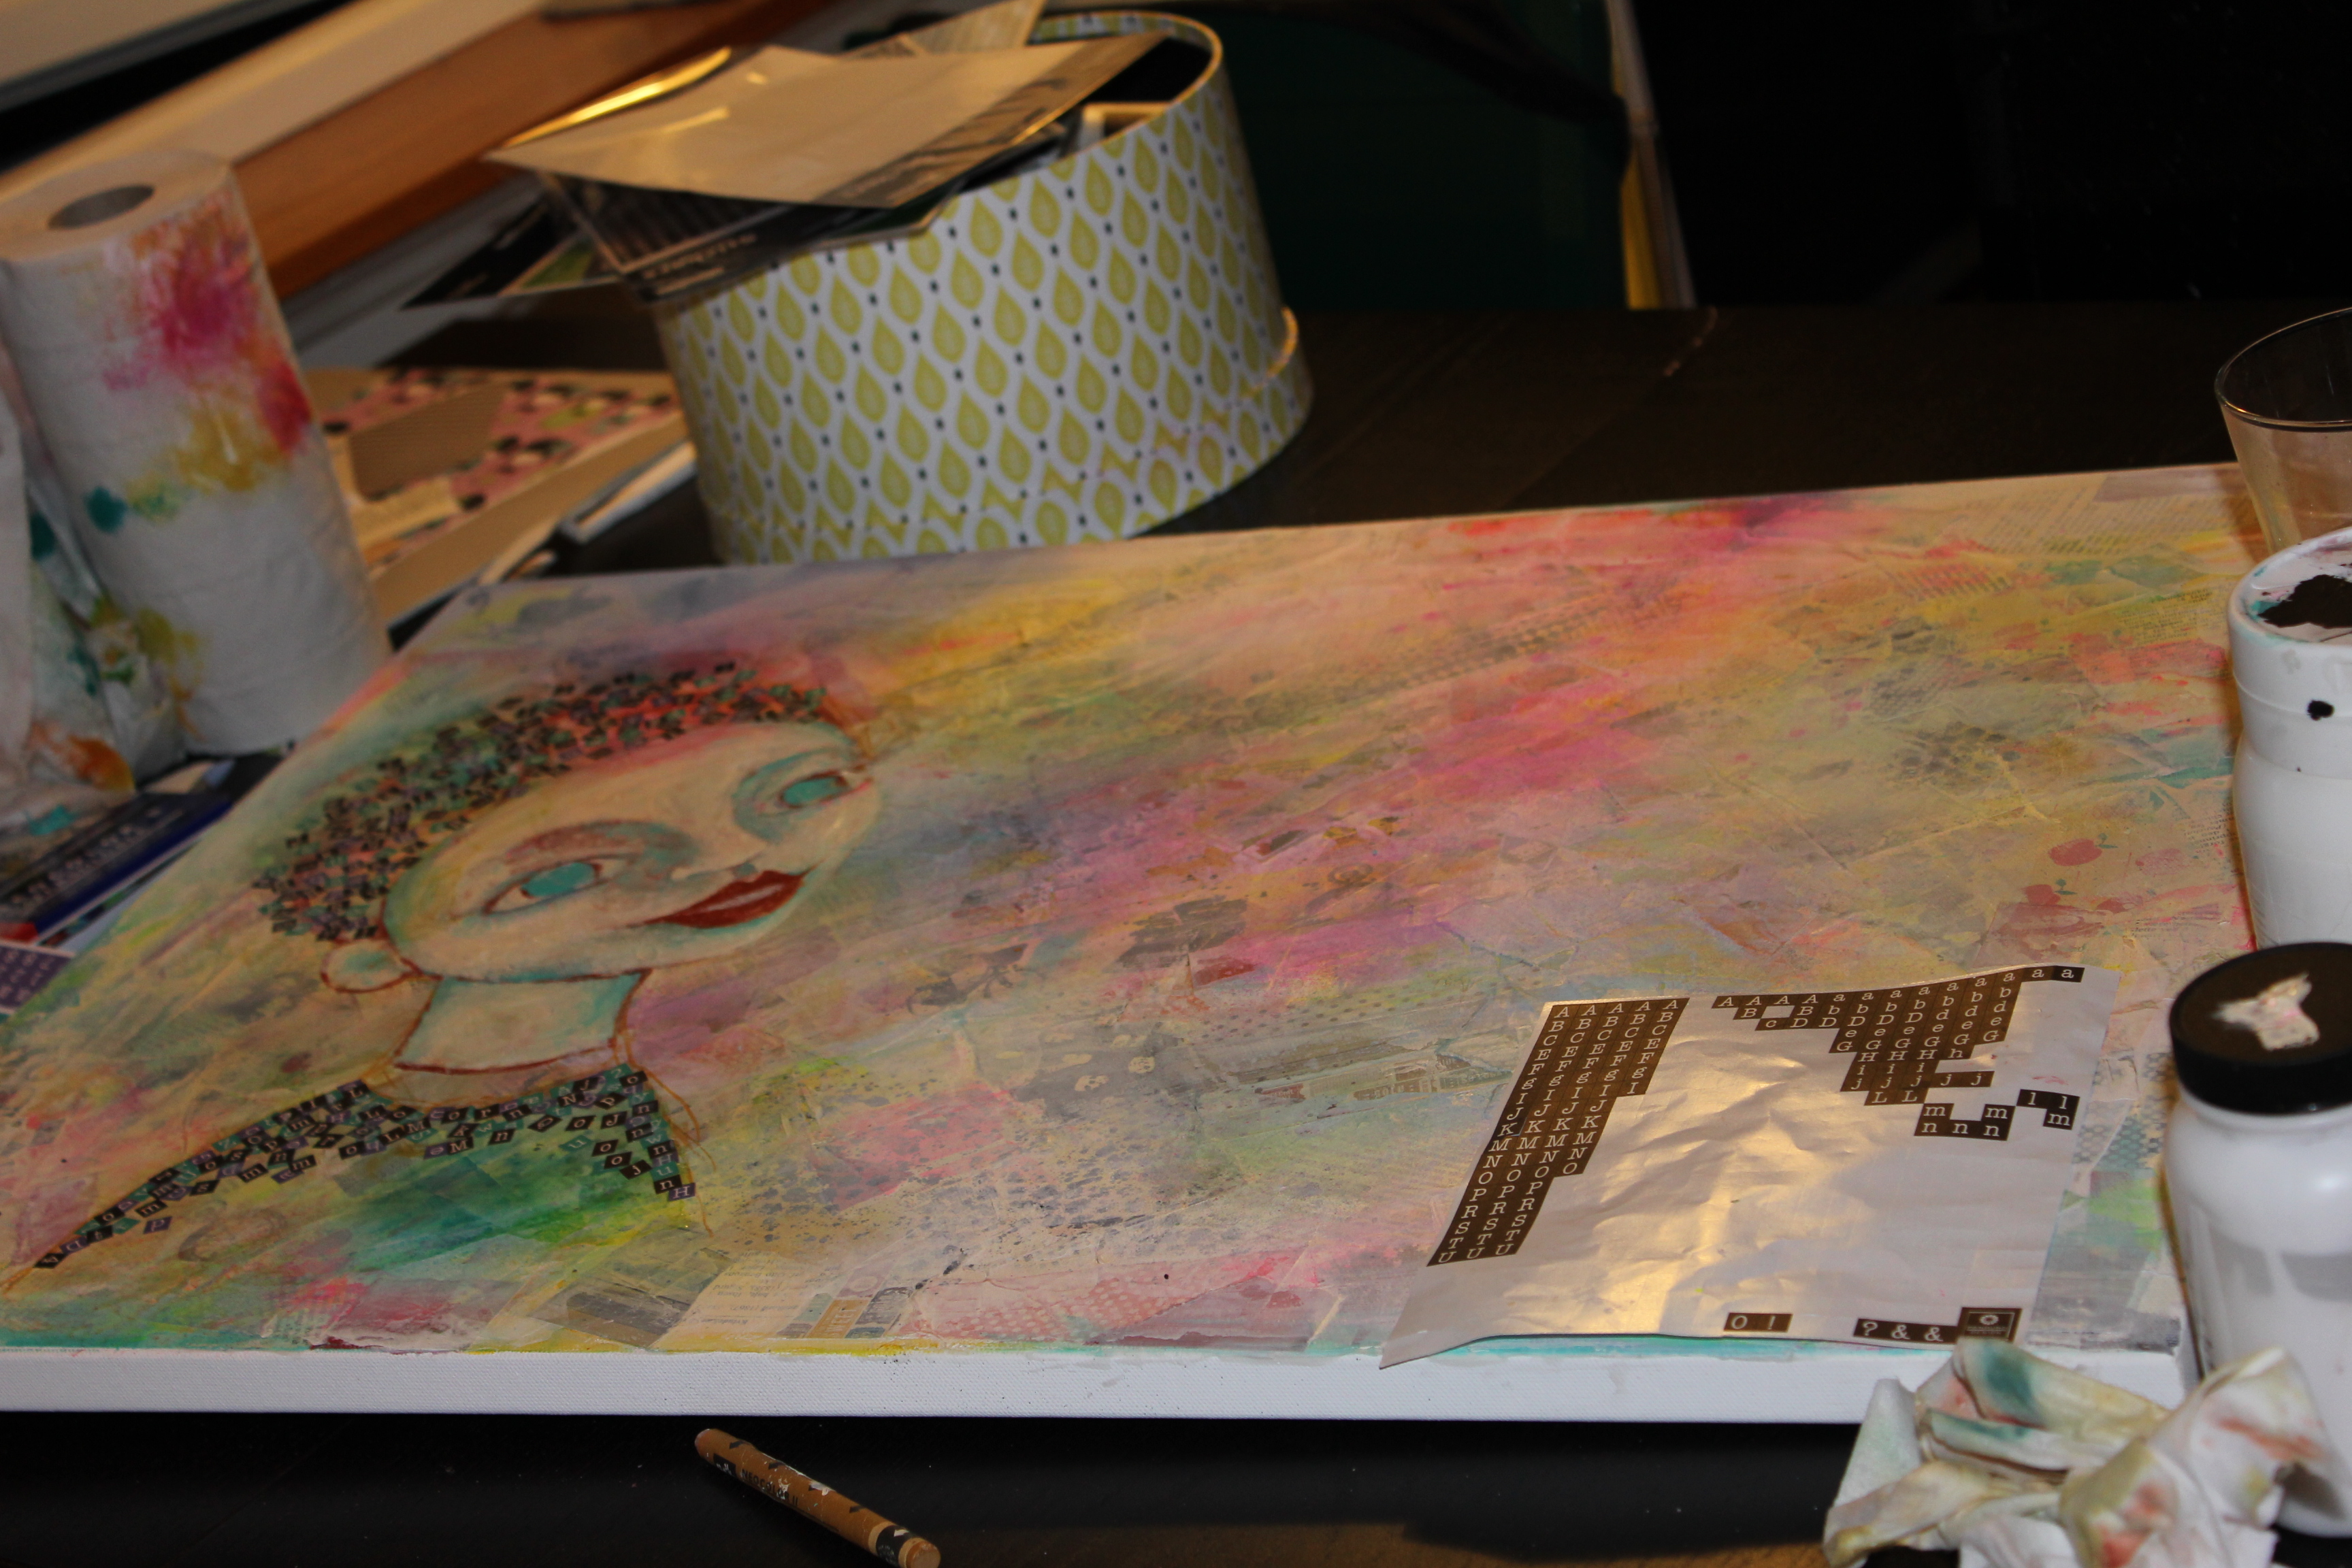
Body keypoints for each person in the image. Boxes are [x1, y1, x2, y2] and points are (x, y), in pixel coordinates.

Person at [30, 663, 879, 1275]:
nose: (734, 859)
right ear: (370, 957)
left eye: (800, 792)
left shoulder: (591, 1097)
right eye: (559, 877)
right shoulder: (343, 1164)